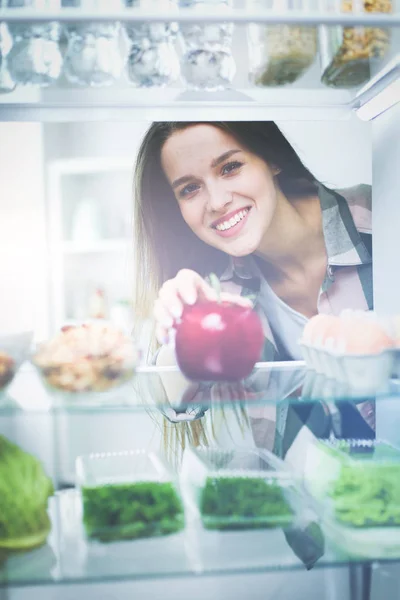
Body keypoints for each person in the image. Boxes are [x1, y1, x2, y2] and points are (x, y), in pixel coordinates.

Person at [132, 121, 374, 441]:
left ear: (272, 159)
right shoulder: (222, 293)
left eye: (230, 167)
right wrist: (185, 332)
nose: (217, 201)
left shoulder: (380, 215)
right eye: (189, 188)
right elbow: (174, 400)